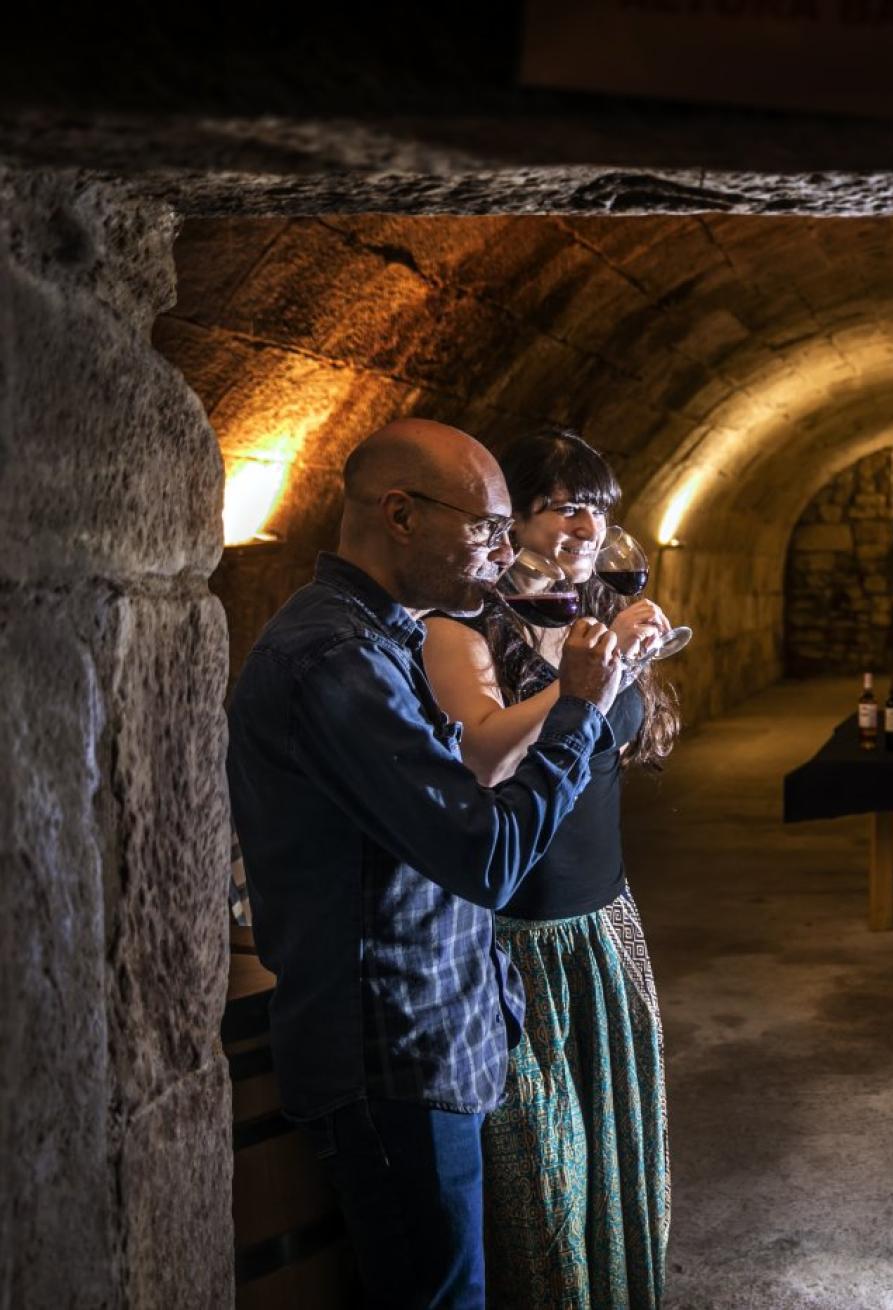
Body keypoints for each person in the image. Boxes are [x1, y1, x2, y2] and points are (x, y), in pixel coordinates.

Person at [227, 419, 625, 1310]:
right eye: (482, 526)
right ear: (400, 515)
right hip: (389, 1056)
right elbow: (483, 858)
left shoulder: (386, 635)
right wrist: (577, 711)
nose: (497, 549)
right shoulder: (335, 658)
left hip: (434, 1035)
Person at [423, 429, 681, 1308]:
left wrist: (626, 651)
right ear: (511, 514)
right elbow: (482, 759)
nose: (586, 523)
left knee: (613, 1147)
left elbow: (624, 739)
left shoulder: (587, 605)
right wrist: (582, 678)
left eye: (598, 506)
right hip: (520, 935)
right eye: (565, 503)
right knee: (545, 1173)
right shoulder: (462, 622)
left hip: (602, 917)